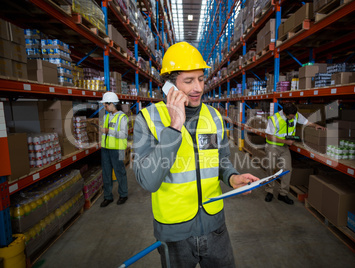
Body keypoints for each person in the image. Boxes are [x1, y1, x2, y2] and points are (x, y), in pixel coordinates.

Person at [133, 42, 259, 267]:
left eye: (201, 79)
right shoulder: (148, 119)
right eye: (189, 81)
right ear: (169, 86)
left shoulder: (214, 117)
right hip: (174, 233)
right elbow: (149, 181)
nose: (198, 88)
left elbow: (221, 162)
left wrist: (232, 178)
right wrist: (174, 126)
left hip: (215, 226)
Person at [264, 103, 326, 205]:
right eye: (290, 116)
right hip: (273, 147)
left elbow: (306, 122)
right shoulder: (274, 119)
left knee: (287, 169)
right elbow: (269, 136)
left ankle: (282, 194)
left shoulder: (295, 114)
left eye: (294, 115)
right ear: (284, 113)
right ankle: (269, 191)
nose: (292, 117)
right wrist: (285, 141)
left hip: (284, 147)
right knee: (270, 167)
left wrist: (315, 125)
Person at [99, 92, 129, 207]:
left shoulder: (122, 117)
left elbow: (123, 134)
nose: (104, 107)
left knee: (120, 172)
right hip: (105, 149)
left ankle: (123, 194)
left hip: (118, 150)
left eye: (106, 105)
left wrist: (108, 131)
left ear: (112, 104)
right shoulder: (106, 116)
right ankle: (108, 197)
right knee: (106, 174)